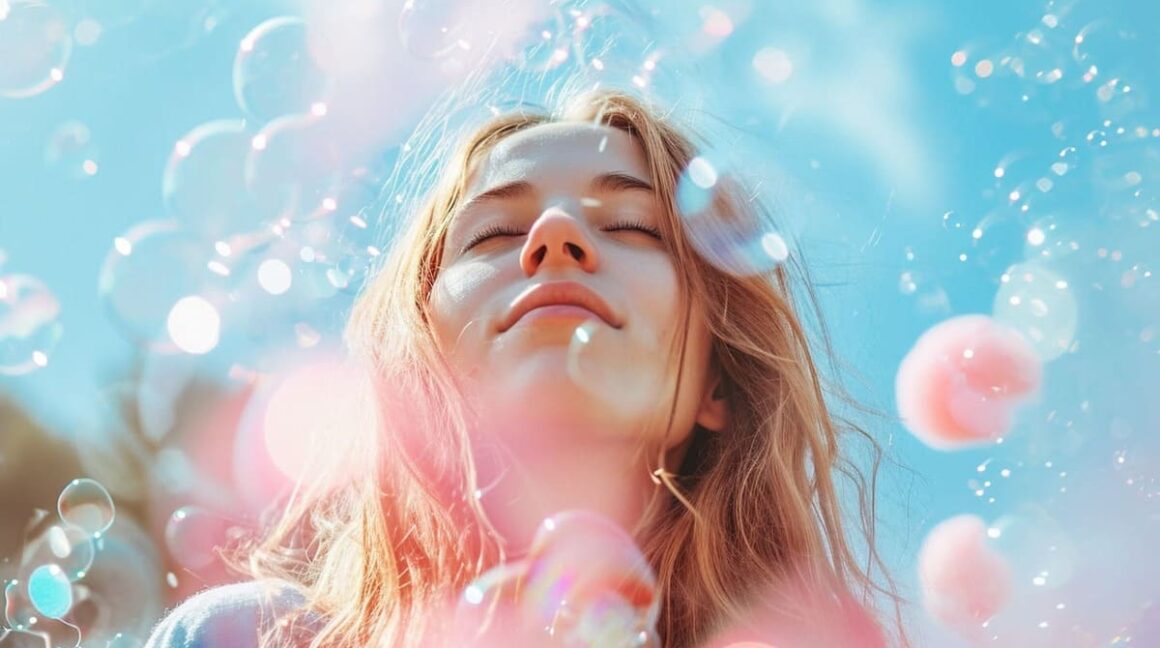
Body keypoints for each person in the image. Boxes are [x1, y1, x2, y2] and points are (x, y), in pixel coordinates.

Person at [143, 83, 912, 647]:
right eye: (492, 235)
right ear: (424, 361)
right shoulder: (249, 637)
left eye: (635, 226)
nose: (554, 233)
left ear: (717, 383)